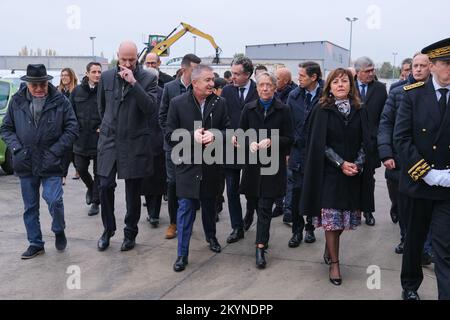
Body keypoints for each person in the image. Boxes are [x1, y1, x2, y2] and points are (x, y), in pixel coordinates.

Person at [300, 68, 375, 285]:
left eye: (345, 81)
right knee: (332, 221)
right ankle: (335, 264)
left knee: (343, 221)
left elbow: (366, 141)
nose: (340, 85)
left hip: (353, 174)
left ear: (351, 86)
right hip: (330, 174)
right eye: (336, 82)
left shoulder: (360, 109)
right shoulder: (322, 109)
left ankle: (329, 247)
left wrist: (358, 163)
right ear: (329, 87)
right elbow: (318, 144)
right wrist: (340, 163)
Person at [0, 64, 79, 259]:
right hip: (25, 162)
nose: (38, 89)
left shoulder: (60, 101)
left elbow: (72, 128)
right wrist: (17, 149)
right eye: (34, 85)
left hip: (51, 161)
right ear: (27, 84)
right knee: (30, 207)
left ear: (47, 82)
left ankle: (58, 228)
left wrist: (56, 151)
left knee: (54, 200)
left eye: (42, 84)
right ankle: (35, 243)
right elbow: (6, 129)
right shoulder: (17, 101)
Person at [394, 38, 450, 300]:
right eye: (447, 63)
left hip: (448, 188)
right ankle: (410, 287)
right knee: (414, 242)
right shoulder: (412, 95)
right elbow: (402, 139)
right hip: (418, 184)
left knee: (444, 246)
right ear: (434, 66)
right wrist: (427, 173)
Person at [166, 65, 230, 272]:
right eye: (208, 80)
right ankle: (182, 254)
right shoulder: (177, 104)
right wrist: (189, 136)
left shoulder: (221, 103)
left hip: (211, 167)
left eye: (213, 79)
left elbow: (229, 131)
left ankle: (211, 237)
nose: (212, 83)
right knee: (185, 209)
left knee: (210, 206)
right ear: (194, 83)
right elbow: (168, 135)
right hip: (187, 167)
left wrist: (215, 135)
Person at [96, 41, 158, 252]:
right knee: (104, 185)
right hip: (110, 140)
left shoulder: (148, 78)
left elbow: (151, 109)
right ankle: (108, 229)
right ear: (117, 56)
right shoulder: (106, 77)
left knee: (132, 192)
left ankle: (130, 232)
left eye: (132, 60)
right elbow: (102, 108)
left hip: (135, 142)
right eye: (124, 59)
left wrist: (134, 84)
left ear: (137, 58)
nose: (128, 63)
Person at [237, 71, 293, 269]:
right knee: (253, 201)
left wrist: (273, 141)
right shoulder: (249, 108)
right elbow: (240, 134)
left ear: (275, 87)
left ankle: (261, 246)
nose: (265, 88)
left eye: (269, 85)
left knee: (265, 208)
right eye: (261, 85)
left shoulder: (283, 110)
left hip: (272, 167)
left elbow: (290, 138)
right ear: (257, 88)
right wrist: (247, 143)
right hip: (253, 166)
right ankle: (248, 218)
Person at [378, 53, 432, 256]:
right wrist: (385, 152)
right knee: (404, 206)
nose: (417, 69)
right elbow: (385, 123)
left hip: (429, 161)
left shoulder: (437, 92)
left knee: (427, 207)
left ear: (431, 68)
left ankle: (425, 248)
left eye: (422, 66)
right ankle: (406, 239)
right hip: (401, 161)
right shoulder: (398, 92)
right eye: (415, 66)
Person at [159, 54, 201, 239]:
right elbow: (162, 116)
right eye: (195, 69)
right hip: (173, 146)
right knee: (173, 184)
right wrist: (172, 138)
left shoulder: (199, 89)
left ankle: (189, 221)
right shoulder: (169, 88)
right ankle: (174, 223)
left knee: (192, 184)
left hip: (195, 146)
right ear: (184, 69)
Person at [221, 56, 259, 241]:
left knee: (252, 188)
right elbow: (221, 117)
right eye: (232, 73)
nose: (232, 77)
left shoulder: (259, 91)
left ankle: (250, 213)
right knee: (231, 190)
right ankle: (237, 227)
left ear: (248, 74)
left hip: (253, 149)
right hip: (231, 148)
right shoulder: (227, 92)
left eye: (237, 74)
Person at [286, 62, 323, 248]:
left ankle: (310, 227)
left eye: (302, 76)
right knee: (296, 193)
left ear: (314, 77)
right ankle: (297, 230)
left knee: (314, 193)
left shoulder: (326, 96)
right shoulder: (294, 96)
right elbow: (288, 124)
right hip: (298, 153)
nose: (298, 78)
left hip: (318, 154)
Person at [354, 56, 388, 226]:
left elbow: (385, 117)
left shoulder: (381, 89)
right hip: (351, 142)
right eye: (367, 71)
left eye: (372, 69)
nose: (371, 73)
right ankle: (354, 211)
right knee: (352, 178)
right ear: (358, 72)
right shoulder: (347, 87)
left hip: (371, 143)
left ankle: (368, 211)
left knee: (368, 179)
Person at [70, 62, 102, 216]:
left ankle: (95, 202)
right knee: (81, 168)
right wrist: (74, 129)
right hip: (81, 138)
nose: (97, 74)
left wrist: (104, 126)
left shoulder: (104, 91)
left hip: (99, 138)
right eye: (94, 72)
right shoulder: (77, 92)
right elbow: (70, 114)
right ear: (87, 73)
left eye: (99, 72)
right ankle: (90, 187)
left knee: (99, 172)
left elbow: (111, 111)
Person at [141, 67, 166, 228]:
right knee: (146, 180)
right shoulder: (139, 92)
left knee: (157, 180)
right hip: (142, 142)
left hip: (159, 141)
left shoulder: (163, 93)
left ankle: (154, 214)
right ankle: (151, 211)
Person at [58, 67, 79, 183]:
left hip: (73, 124)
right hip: (61, 125)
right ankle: (65, 174)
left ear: (71, 77)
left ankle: (64, 175)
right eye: (62, 75)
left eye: (66, 75)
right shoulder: (58, 91)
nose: (64, 77)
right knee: (67, 150)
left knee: (71, 151)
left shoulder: (76, 91)